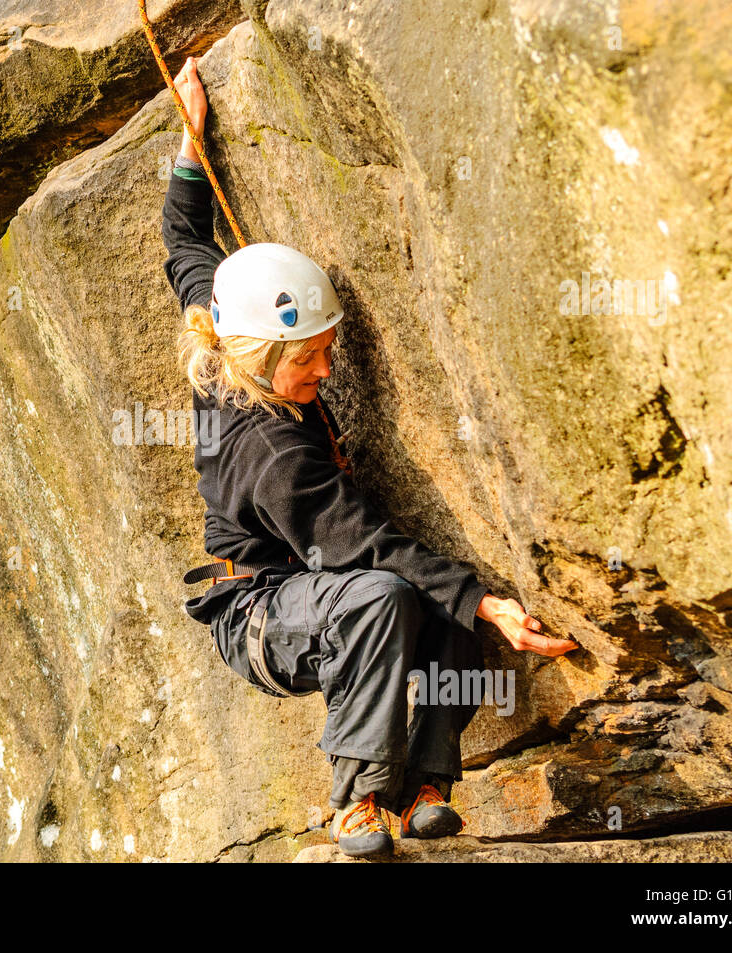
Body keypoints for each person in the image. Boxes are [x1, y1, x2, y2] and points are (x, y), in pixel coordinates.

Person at [160, 56, 578, 858]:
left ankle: (426, 787)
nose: (324, 371)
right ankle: (355, 799)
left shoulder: (224, 317)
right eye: (307, 359)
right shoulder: (271, 448)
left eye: (328, 350)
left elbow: (184, 239)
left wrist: (190, 138)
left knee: (446, 600)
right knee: (393, 591)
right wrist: (493, 605)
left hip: (316, 592)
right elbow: (361, 550)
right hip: (261, 620)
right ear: (258, 355)